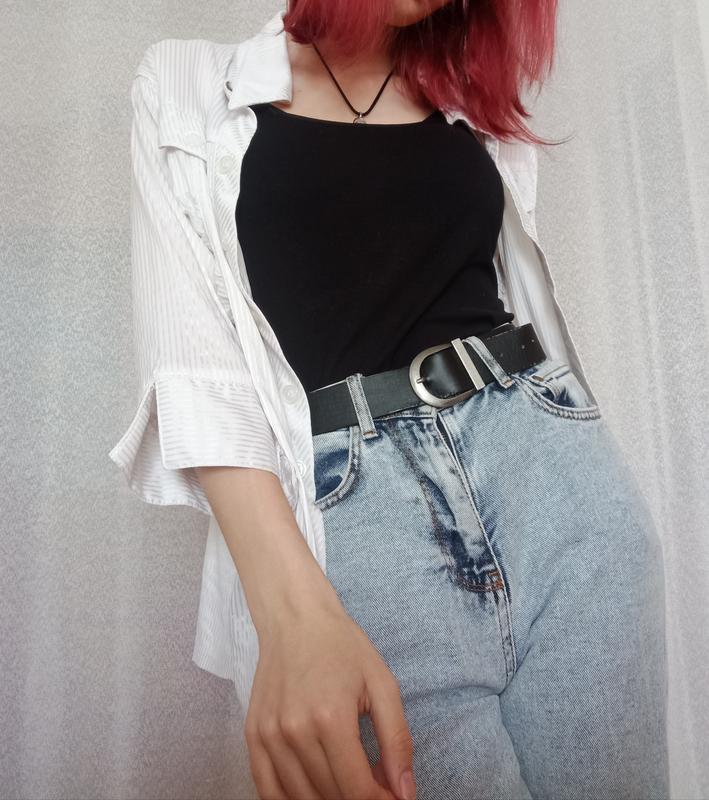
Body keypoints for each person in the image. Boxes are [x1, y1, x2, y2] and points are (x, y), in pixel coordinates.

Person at [109, 2, 670, 798]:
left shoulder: (465, 96)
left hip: (551, 477)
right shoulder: (188, 81)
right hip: (352, 521)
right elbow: (193, 369)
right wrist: (291, 618)